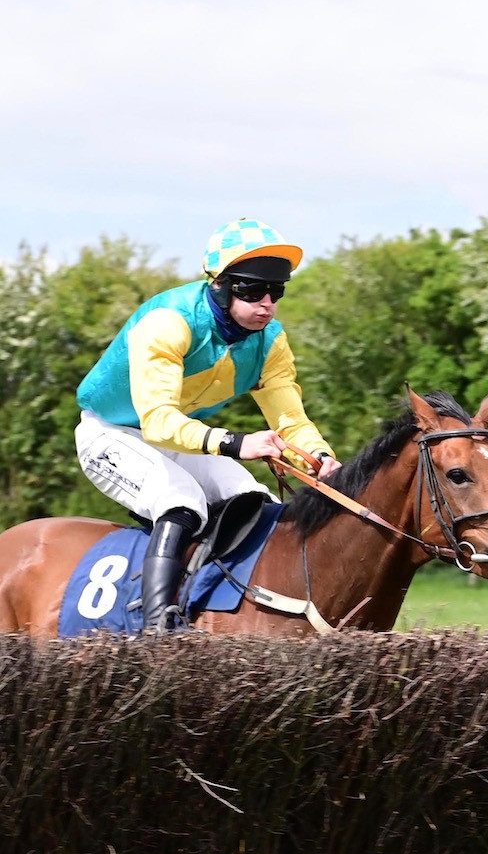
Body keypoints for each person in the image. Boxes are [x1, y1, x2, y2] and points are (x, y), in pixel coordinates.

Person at [74, 219, 341, 633]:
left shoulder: (271, 341)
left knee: (256, 498)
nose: (267, 304)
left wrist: (319, 457)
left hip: (177, 436)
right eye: (252, 291)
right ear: (219, 285)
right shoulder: (169, 323)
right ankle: (157, 631)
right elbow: (159, 422)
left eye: (277, 292)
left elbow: (289, 419)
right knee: (181, 502)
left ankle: (227, 607)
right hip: (110, 434)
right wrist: (237, 443)